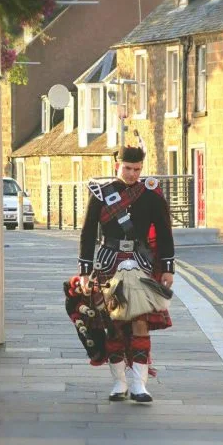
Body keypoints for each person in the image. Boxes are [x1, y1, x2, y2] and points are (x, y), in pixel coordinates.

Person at [78, 145, 175, 403]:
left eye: (137, 169)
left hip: (141, 264)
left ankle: (138, 383)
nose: (132, 174)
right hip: (108, 264)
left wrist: (167, 268)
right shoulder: (101, 195)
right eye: (128, 168)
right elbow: (88, 234)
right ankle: (119, 382)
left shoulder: (151, 195)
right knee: (113, 325)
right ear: (117, 166)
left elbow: (165, 234)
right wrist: (85, 272)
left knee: (140, 323)